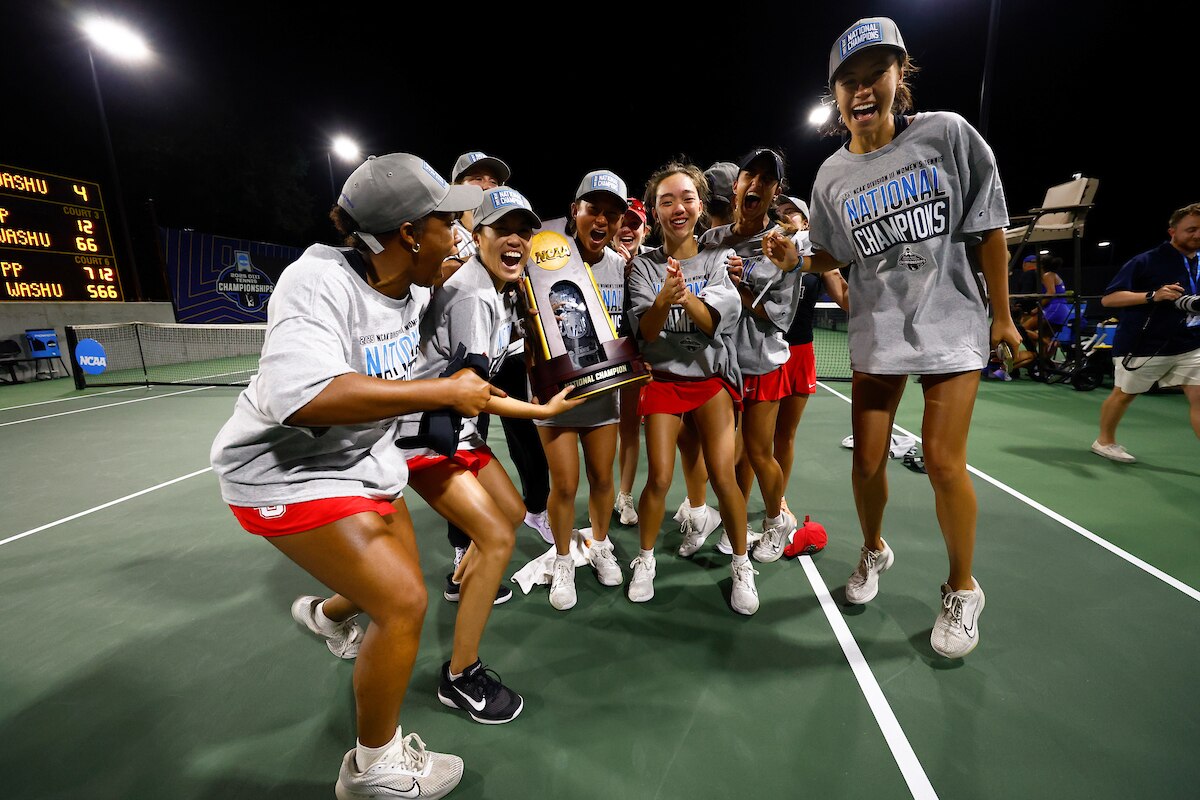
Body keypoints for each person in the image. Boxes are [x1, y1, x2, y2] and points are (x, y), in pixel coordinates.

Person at [209, 153, 487, 798]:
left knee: (393, 583)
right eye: (447, 221)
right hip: (282, 474)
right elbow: (301, 398)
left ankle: (330, 616)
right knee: (404, 603)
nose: (460, 233)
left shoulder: (412, 286)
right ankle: (374, 769)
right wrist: (441, 394)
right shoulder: (315, 281)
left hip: (357, 462)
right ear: (409, 232)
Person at [769, 17, 1021, 657]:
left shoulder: (948, 135)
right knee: (867, 461)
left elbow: (989, 228)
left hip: (952, 320)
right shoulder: (830, 175)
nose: (861, 92)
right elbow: (831, 251)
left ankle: (962, 588)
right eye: (848, 82)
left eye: (873, 76)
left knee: (942, 460)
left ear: (898, 76)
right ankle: (874, 549)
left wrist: (1002, 317)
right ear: (837, 93)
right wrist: (795, 257)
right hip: (878, 329)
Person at [397, 186, 580, 719]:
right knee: (497, 537)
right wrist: (543, 414)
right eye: (502, 230)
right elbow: (474, 395)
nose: (516, 240)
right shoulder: (476, 297)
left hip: (453, 429)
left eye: (524, 231)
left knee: (512, 512)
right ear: (476, 236)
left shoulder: (493, 288)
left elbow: (475, 391)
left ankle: (451, 584)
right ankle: (460, 675)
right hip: (424, 433)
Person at [626, 161, 759, 615]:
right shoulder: (642, 267)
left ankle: (741, 565)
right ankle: (644, 562)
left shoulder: (721, 259)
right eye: (667, 200)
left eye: (686, 198)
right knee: (660, 476)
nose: (677, 207)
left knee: (724, 475)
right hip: (664, 381)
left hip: (710, 380)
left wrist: (686, 299)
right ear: (655, 210)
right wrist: (663, 300)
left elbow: (712, 325)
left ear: (700, 206)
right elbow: (645, 332)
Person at [439, 153, 554, 595]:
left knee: (521, 447)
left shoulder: (503, 260)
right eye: (475, 178)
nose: (485, 183)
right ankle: (464, 543)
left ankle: (530, 512)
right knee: (467, 439)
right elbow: (471, 392)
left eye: (493, 178)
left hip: (497, 354)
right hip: (442, 409)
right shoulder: (451, 248)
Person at [697, 147, 801, 564]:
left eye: (766, 179)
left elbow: (782, 317)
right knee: (725, 454)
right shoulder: (711, 241)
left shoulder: (783, 246)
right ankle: (732, 518)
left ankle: (777, 520)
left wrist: (742, 293)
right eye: (749, 175)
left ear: (774, 192)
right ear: (736, 185)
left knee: (759, 452)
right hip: (720, 363)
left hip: (760, 363)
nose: (755, 184)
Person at [537, 171, 630, 611]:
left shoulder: (623, 267)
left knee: (602, 478)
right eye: (593, 209)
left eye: (612, 214)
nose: (602, 220)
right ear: (575, 211)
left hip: (602, 394)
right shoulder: (541, 260)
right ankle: (561, 559)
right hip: (555, 396)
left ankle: (597, 543)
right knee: (564, 484)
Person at [1092, 202, 1200, 462]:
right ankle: (1104, 441)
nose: (1197, 235)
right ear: (1172, 231)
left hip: (1190, 343)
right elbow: (1109, 299)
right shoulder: (1146, 261)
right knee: (1124, 395)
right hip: (1144, 345)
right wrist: (1153, 295)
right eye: (1191, 229)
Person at [770, 194, 850, 516]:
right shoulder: (765, 253)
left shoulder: (819, 262)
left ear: (806, 223)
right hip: (764, 353)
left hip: (800, 355)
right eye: (781, 212)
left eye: (793, 212)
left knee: (785, 436)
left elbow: (847, 299)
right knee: (753, 439)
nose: (786, 216)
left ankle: (777, 499)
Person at [611, 197, 653, 526]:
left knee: (629, 431)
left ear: (645, 230)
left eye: (634, 223)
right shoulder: (593, 262)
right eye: (621, 221)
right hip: (596, 360)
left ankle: (624, 495)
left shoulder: (652, 265)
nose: (627, 228)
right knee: (595, 430)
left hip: (635, 358)